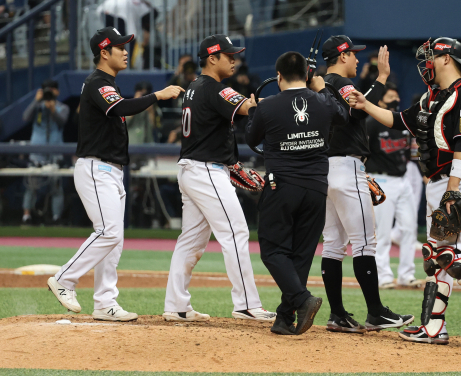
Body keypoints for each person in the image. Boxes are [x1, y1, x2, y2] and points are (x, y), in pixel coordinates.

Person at [349, 37, 461, 345]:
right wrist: (366, 104)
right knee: (433, 256)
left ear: (446, 59)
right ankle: (433, 326)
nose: (425, 63)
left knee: (447, 254)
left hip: (460, 179)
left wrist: (453, 190)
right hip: (437, 181)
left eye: (431, 56)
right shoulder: (432, 97)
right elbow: (400, 120)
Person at [46, 27, 184, 320]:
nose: (125, 51)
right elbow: (121, 107)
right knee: (108, 233)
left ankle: (105, 303)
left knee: (115, 240)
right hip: (96, 168)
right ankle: (64, 279)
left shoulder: (106, 83)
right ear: (104, 52)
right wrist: (157, 95)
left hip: (110, 170)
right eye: (120, 47)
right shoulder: (97, 82)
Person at [162, 34, 276, 323]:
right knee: (235, 232)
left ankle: (176, 305)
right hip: (205, 170)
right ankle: (246, 304)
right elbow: (250, 108)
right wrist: (287, 99)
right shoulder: (215, 88)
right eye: (228, 55)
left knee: (190, 241)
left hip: (193, 168)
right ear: (212, 58)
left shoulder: (194, 87)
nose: (234, 59)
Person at [245, 51, 349, 335]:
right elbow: (343, 115)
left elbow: (251, 139)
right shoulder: (323, 102)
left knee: (272, 249)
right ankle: (284, 318)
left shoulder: (268, 107)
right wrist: (323, 88)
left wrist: (254, 110)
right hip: (316, 187)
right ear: (306, 75)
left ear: (278, 76)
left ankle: (303, 300)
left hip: (282, 185)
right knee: (301, 253)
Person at [320, 35, 414, 333]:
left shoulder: (322, 84)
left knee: (333, 245)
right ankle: (376, 312)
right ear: (342, 55)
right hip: (347, 166)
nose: (358, 59)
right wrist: (382, 79)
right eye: (353, 54)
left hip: (325, 167)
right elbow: (359, 107)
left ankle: (337, 314)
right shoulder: (339, 81)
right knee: (364, 242)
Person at [365, 83, 421, 290]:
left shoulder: (401, 123)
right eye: (390, 97)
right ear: (380, 101)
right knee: (383, 231)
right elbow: (363, 151)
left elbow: (409, 152)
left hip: (402, 178)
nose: (394, 100)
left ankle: (407, 274)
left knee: (409, 228)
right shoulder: (371, 123)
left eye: (396, 96)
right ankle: (383, 275)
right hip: (381, 179)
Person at [21, 79, 70, 225]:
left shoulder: (62, 107)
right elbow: (25, 117)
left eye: (52, 90)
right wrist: (36, 102)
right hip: (37, 151)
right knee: (31, 186)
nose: (49, 93)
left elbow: (62, 121)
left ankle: (56, 217)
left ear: (57, 91)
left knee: (56, 187)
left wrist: (52, 110)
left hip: (55, 152)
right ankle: (26, 216)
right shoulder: (37, 106)